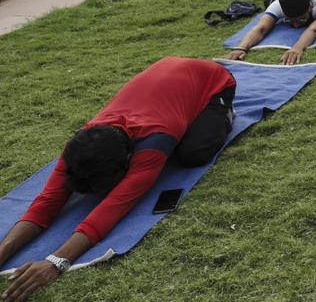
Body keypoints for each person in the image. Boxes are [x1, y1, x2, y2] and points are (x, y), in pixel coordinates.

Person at [0, 58, 236, 300]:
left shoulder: (153, 145)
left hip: (213, 80)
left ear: (129, 160)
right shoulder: (78, 145)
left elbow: (111, 210)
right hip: (166, 77)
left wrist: (55, 262)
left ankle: (225, 112)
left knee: (192, 154)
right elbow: (46, 203)